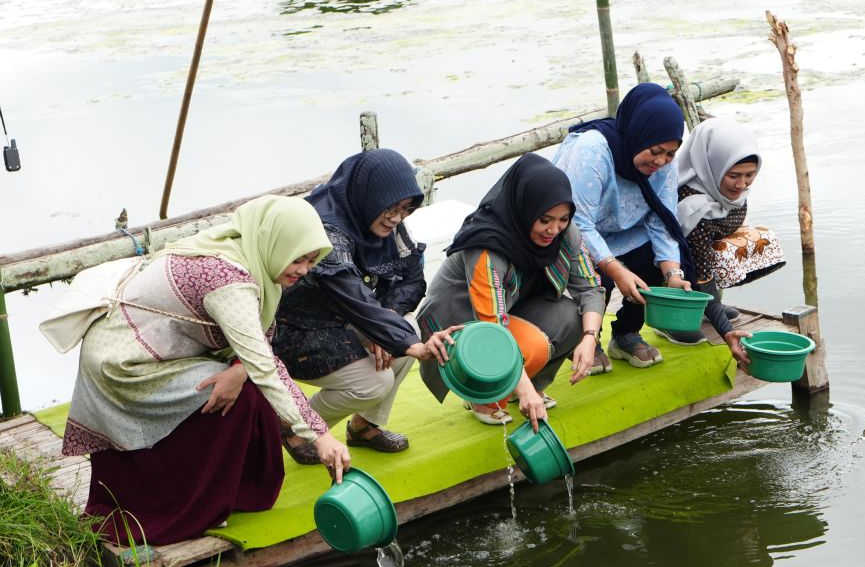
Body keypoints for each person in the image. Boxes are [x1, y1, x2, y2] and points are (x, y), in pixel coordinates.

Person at [62, 196, 351, 546]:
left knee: (243, 389)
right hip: (123, 365)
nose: (304, 269)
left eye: (311, 260)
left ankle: (236, 492)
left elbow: (258, 339)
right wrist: (320, 435)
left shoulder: (251, 255)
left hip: (161, 351)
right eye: (299, 258)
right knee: (237, 397)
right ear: (276, 241)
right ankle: (180, 507)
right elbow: (265, 364)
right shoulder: (228, 280)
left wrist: (239, 368)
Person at [272, 149, 457, 460]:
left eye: (405, 210)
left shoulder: (385, 220)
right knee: (375, 380)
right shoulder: (325, 229)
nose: (397, 218)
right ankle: (297, 430)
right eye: (392, 209)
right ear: (370, 195)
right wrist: (393, 336)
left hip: (345, 320)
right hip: (293, 333)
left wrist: (386, 318)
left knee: (406, 325)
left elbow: (412, 279)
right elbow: (347, 288)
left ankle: (365, 426)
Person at [553, 83, 749, 370]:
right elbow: (577, 221)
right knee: (597, 281)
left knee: (659, 262)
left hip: (625, 232)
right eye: (655, 151)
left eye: (670, 154)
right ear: (637, 134)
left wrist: (672, 275)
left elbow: (662, 220)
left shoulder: (664, 166)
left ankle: (625, 334)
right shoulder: (592, 151)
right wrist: (614, 267)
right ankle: (585, 340)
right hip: (572, 233)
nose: (661, 161)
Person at [415, 153, 604, 427]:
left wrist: (589, 338)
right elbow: (493, 326)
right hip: (459, 328)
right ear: (524, 208)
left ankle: (529, 387)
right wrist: (522, 387)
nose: (554, 229)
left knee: (575, 315)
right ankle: (484, 395)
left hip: (511, 308)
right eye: (545, 220)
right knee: (533, 346)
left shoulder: (566, 233)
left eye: (563, 219)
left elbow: (590, 288)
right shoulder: (486, 245)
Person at [668, 117, 785, 340]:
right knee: (685, 268)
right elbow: (701, 273)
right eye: (733, 176)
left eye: (750, 175)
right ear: (712, 166)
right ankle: (672, 317)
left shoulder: (726, 190)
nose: (742, 185)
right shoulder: (694, 207)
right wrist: (726, 330)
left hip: (703, 253)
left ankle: (707, 307)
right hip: (673, 265)